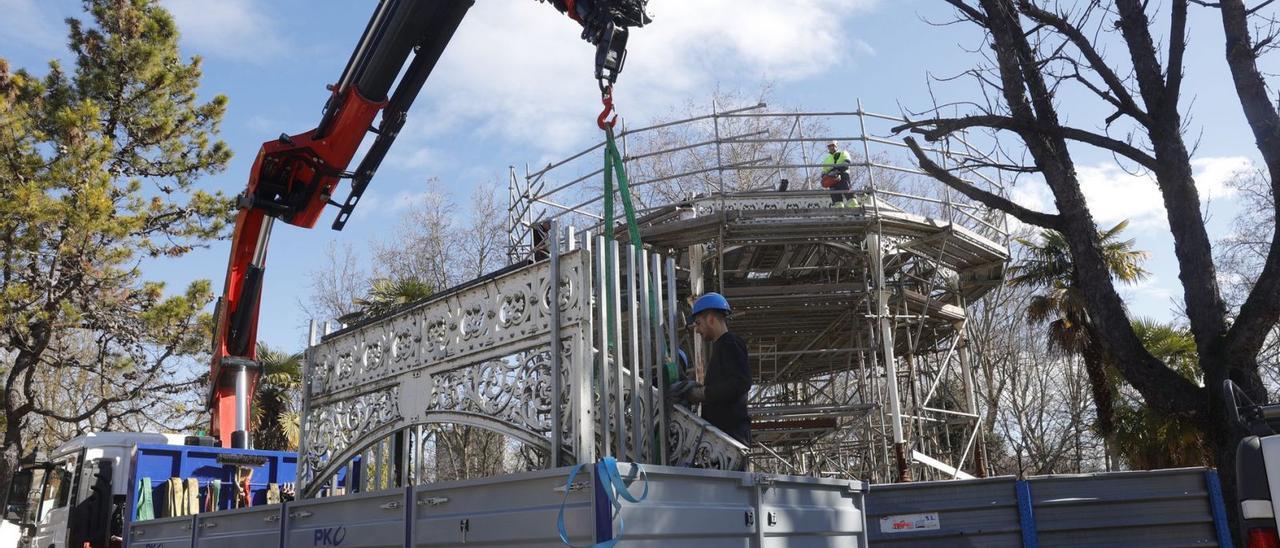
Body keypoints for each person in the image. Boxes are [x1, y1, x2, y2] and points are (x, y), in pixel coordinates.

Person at [671, 293, 752, 444]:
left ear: (711, 319)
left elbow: (742, 382)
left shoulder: (730, 343)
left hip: (730, 438)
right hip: (722, 437)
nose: (697, 330)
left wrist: (704, 393)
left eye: (698, 323)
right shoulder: (722, 346)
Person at [821, 140, 858, 207]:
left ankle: (853, 206)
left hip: (843, 174)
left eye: (832, 146)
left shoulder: (843, 153)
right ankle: (839, 207)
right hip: (831, 179)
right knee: (834, 193)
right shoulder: (826, 160)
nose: (831, 147)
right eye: (829, 146)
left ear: (836, 146)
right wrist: (829, 175)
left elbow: (846, 163)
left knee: (846, 188)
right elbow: (823, 173)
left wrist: (836, 170)